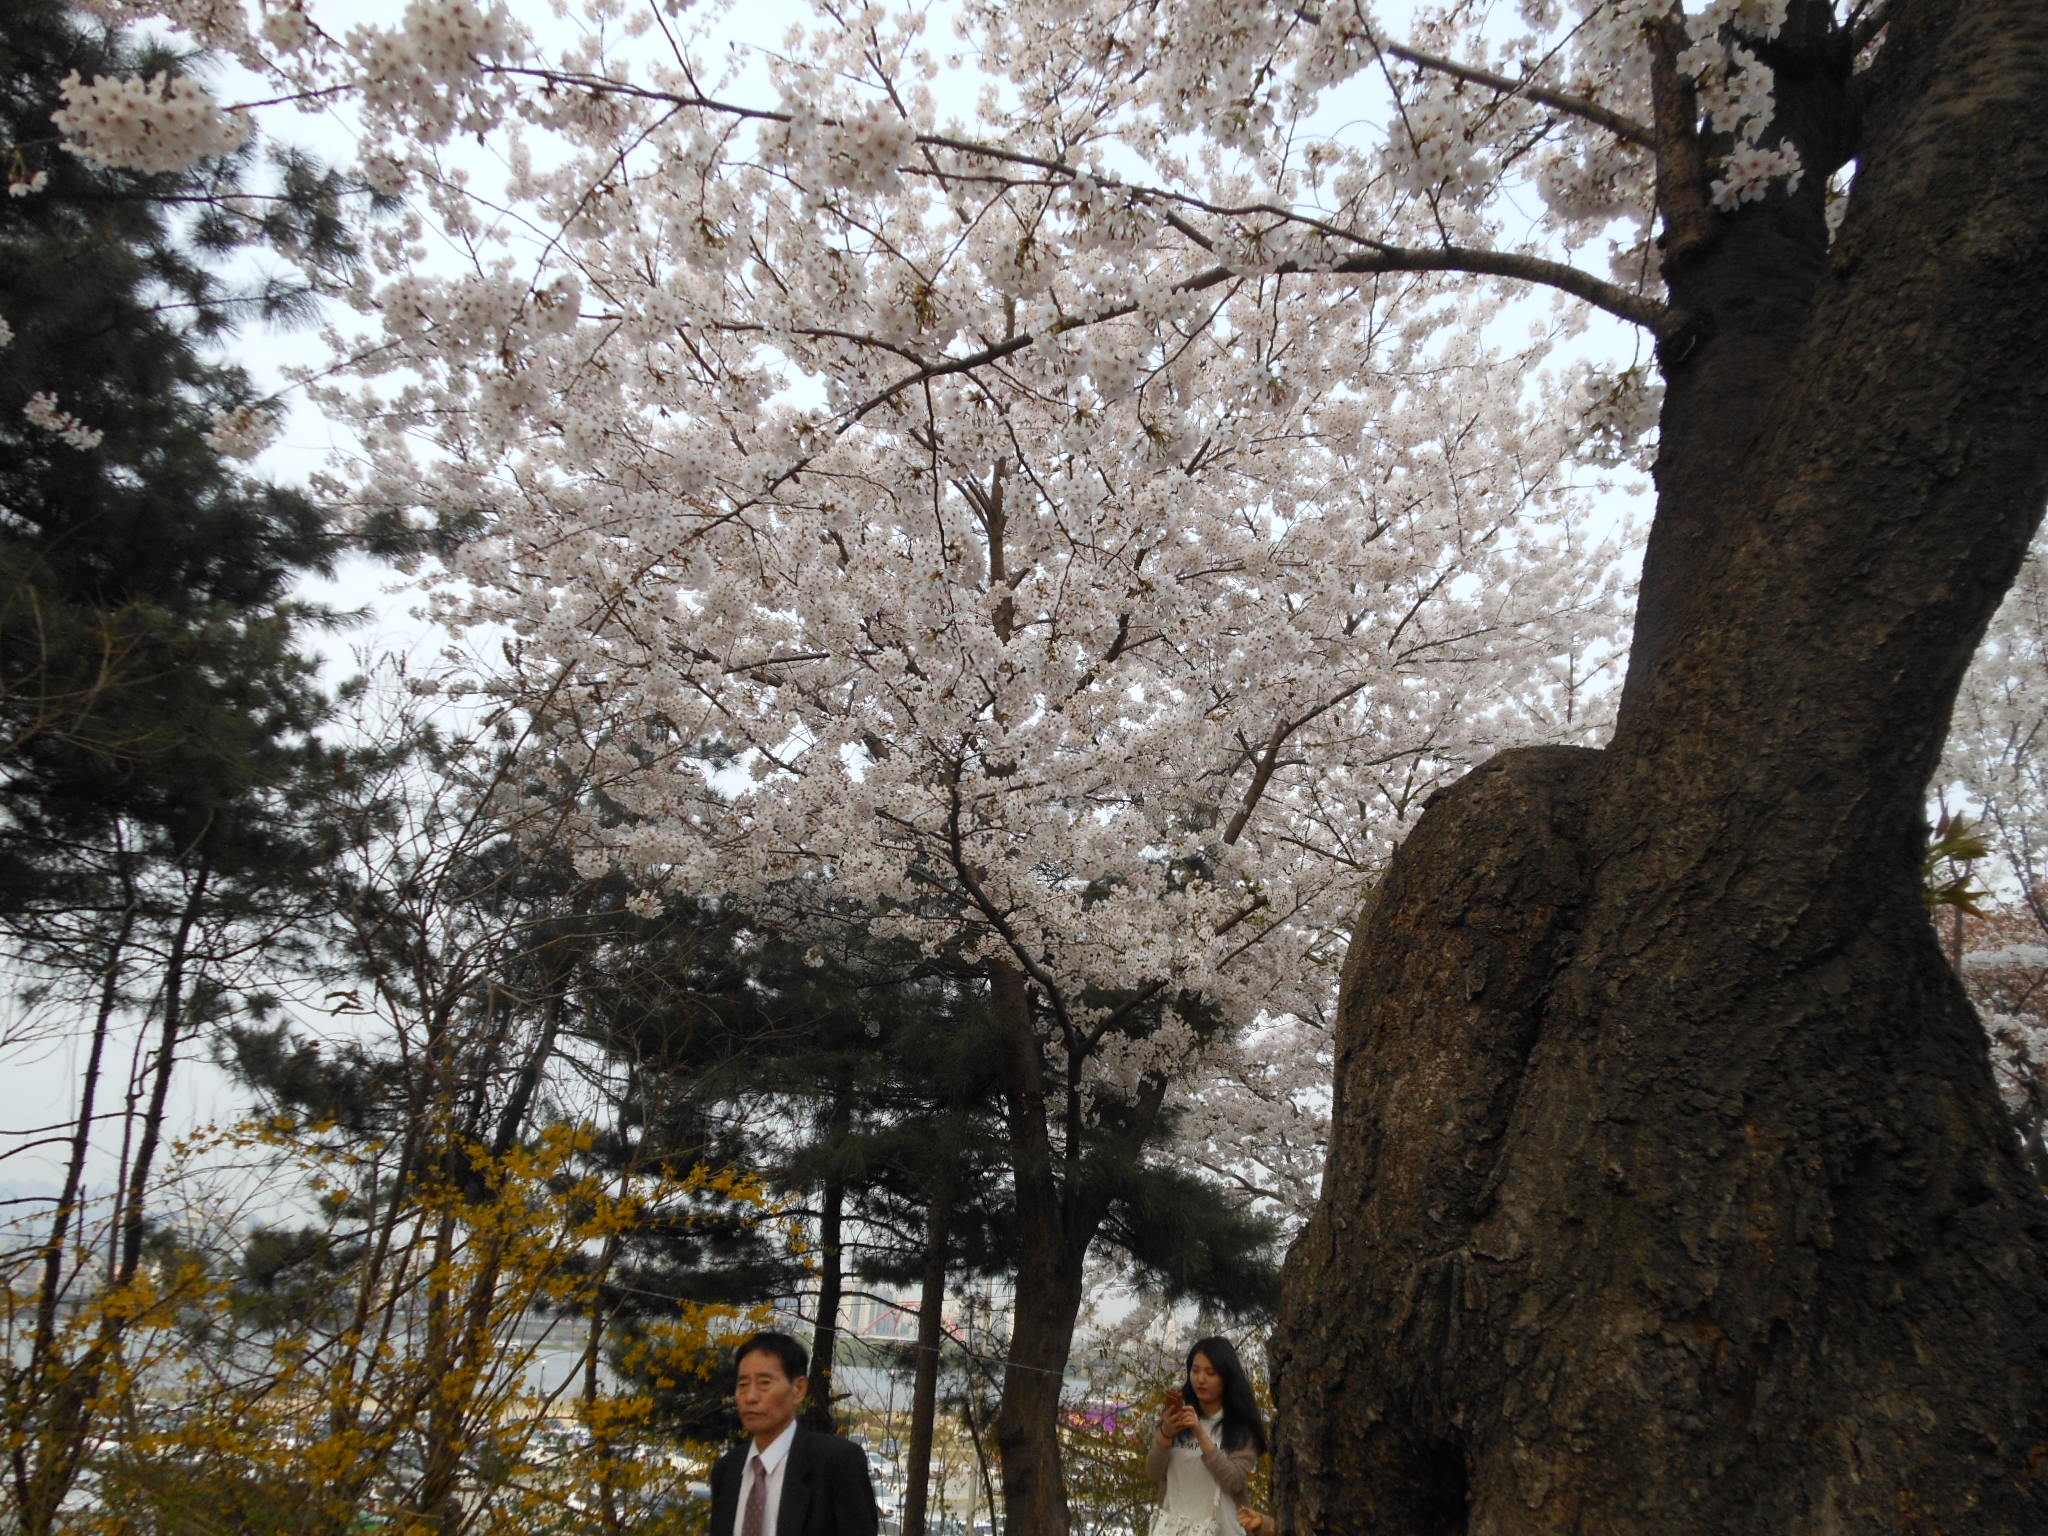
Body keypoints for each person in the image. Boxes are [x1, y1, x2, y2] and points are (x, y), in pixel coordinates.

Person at [708, 1330, 879, 1536]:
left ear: (798, 1389)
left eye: (764, 1383)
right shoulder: (727, 1470)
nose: (750, 1397)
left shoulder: (836, 1464)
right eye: (743, 1385)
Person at [1145, 1335, 1269, 1536]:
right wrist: (1165, 1435)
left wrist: (1200, 1433)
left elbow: (1234, 1482)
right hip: (1174, 1529)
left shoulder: (1241, 1428)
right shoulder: (1177, 1418)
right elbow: (1153, 1472)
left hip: (1223, 1530)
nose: (1201, 1379)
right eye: (1195, 1371)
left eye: (1210, 1373)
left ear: (1226, 1377)